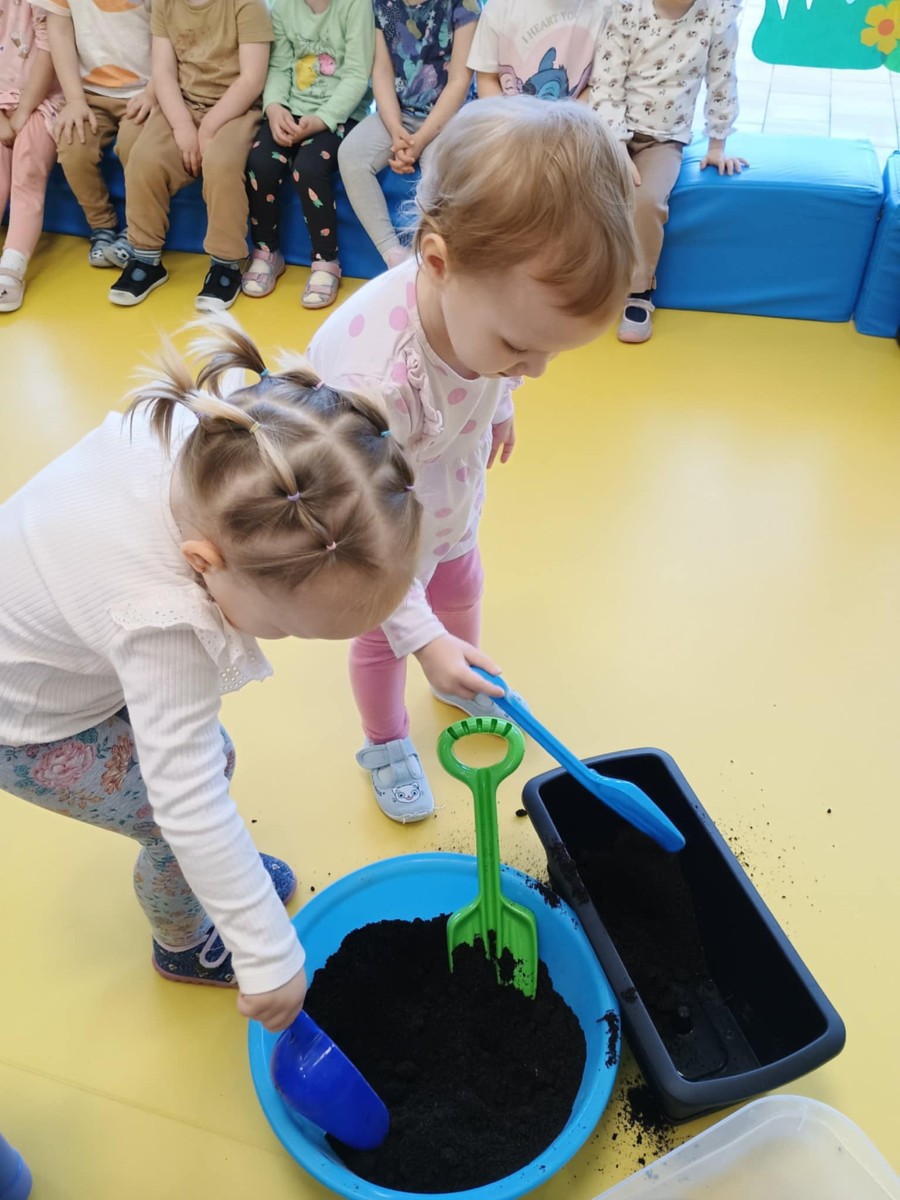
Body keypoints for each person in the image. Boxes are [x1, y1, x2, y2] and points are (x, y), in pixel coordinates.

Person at [0, 315, 422, 1031]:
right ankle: (184, 943)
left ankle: (213, 893)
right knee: (173, 819)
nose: (280, 640)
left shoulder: (224, 439)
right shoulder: (162, 621)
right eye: (284, 626)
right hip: (27, 724)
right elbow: (186, 798)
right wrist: (266, 950)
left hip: (58, 633)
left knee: (211, 758)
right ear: (204, 563)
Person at [307, 95, 636, 822]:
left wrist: (503, 397)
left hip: (444, 495)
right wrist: (422, 639)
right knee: (383, 642)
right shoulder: (373, 380)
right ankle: (385, 741)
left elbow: (495, 361)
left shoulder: (481, 314)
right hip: (370, 533)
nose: (534, 370)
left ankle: (460, 673)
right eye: (520, 349)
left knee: (462, 581)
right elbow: (362, 539)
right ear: (436, 262)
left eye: (548, 353)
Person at [590, 0, 746, 343]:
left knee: (646, 201)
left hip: (663, 140)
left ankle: (639, 292)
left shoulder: (716, 15)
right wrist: (617, 145)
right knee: (579, 189)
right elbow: (606, 82)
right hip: (608, 131)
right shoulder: (628, 9)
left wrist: (717, 143)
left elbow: (723, 80)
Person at [108, 0, 273, 310]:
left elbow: (252, 79)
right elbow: (163, 72)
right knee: (144, 160)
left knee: (222, 164)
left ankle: (226, 263)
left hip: (236, 109)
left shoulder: (247, 4)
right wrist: (183, 126)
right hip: (184, 104)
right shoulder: (165, 4)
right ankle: (145, 257)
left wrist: (208, 128)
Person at [241, 0, 374, 308]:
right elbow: (278, 68)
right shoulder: (284, 7)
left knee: (309, 168)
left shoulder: (356, 6)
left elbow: (357, 75)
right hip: (291, 111)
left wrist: (322, 119)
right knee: (260, 162)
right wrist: (275, 107)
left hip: (340, 116)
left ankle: (326, 260)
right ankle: (267, 251)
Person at [336, 0, 480, 272]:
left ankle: (425, 252)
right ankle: (393, 254)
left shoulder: (464, 5)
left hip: (449, 116)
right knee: (351, 155)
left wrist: (419, 141)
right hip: (399, 113)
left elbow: (459, 82)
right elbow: (382, 72)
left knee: (438, 170)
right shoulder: (382, 5)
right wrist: (395, 129)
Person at [34, 0, 153, 269]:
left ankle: (137, 231)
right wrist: (75, 99)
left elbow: (167, 33)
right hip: (90, 93)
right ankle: (102, 226)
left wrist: (154, 92)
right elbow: (59, 31)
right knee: (72, 145)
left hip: (145, 93)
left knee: (138, 148)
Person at [0, 2, 63, 313]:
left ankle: (12, 263)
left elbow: (49, 50)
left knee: (27, 171)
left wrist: (23, 111)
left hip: (41, 100)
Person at [466, 0, 608, 100]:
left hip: (574, 127)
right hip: (507, 125)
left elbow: (599, 88)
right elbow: (487, 80)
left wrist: (567, 127)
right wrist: (509, 126)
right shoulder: (500, 6)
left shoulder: (606, 10)